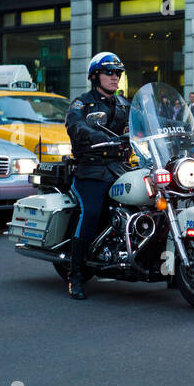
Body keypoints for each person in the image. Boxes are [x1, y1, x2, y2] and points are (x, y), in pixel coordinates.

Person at [63, 52, 131, 300]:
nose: (115, 78)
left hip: (118, 169)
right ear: (95, 76)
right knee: (91, 213)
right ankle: (76, 275)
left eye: (118, 73)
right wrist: (95, 134)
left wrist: (180, 127)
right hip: (90, 170)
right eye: (109, 73)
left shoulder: (124, 104)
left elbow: (145, 121)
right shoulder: (83, 103)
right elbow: (75, 125)